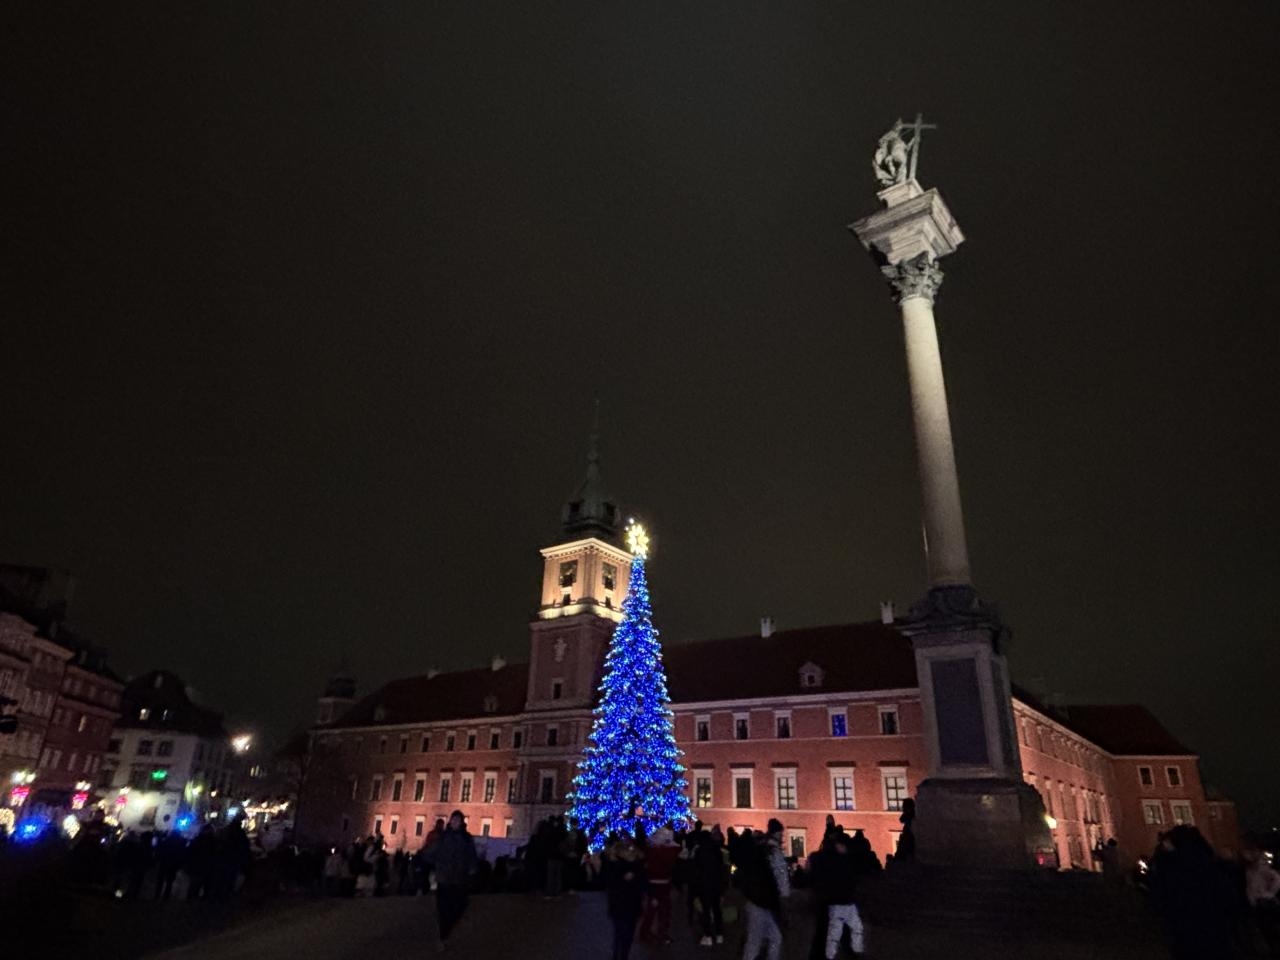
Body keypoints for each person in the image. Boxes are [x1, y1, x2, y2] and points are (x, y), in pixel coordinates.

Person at [424, 810, 477, 951]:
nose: (455, 822)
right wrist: (436, 864)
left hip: (459, 879)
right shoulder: (443, 837)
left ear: (461, 822)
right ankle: (443, 937)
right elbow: (429, 853)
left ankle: (446, 931)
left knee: (460, 907)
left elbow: (472, 856)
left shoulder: (467, 839)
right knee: (443, 910)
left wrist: (472, 870)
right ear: (450, 821)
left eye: (457, 820)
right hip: (444, 879)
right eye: (453, 820)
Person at [810, 830, 866, 959]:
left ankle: (831, 954)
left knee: (831, 933)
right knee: (837, 933)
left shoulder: (824, 858)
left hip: (832, 901)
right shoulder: (841, 860)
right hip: (839, 901)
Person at [741, 818, 790, 960]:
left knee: (764, 939)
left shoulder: (760, 847)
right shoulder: (773, 851)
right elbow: (781, 876)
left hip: (757, 899)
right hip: (764, 901)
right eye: (781, 834)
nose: (782, 837)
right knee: (763, 940)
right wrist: (785, 896)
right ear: (776, 833)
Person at [604, 838, 648, 960]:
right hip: (621, 904)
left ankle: (622, 955)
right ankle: (619, 956)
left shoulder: (637, 867)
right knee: (622, 933)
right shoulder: (616, 866)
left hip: (630, 905)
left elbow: (643, 884)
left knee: (626, 934)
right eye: (628, 851)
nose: (630, 853)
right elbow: (610, 882)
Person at [640, 825, 681, 944]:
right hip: (659, 884)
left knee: (657, 910)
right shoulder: (661, 851)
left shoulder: (653, 849)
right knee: (659, 911)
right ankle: (655, 933)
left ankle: (650, 933)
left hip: (659, 884)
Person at [692, 825, 727, 946]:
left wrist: (695, 890)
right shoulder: (717, 850)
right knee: (717, 910)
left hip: (704, 885)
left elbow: (696, 871)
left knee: (705, 911)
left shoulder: (699, 851)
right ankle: (719, 934)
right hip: (716, 885)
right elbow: (722, 869)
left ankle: (707, 936)